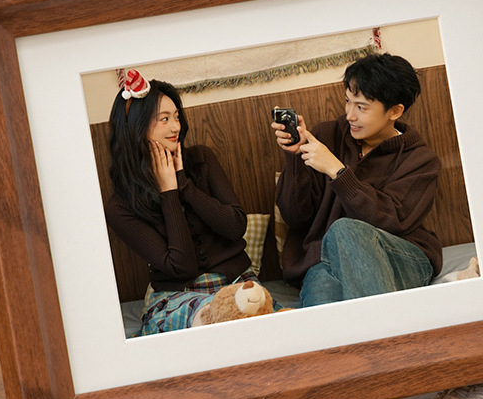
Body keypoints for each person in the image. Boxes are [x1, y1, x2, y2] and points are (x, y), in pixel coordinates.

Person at [272, 52, 442, 308]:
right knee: (322, 286)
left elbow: (392, 222)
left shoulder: (421, 161)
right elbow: (295, 217)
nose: (350, 115)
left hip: (401, 257)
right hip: (325, 261)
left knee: (344, 229)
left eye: (361, 107)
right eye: (347, 101)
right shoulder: (325, 136)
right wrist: (295, 157)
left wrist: (338, 172)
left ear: (395, 111)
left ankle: (382, 324)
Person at [105, 69, 264, 334]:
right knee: (206, 318)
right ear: (136, 128)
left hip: (236, 282)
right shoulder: (121, 206)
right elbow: (182, 267)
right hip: (178, 296)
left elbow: (236, 226)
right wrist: (168, 192)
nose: (176, 127)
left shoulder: (202, 159)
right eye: (164, 119)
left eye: (176, 117)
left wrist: (185, 186)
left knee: (250, 309)